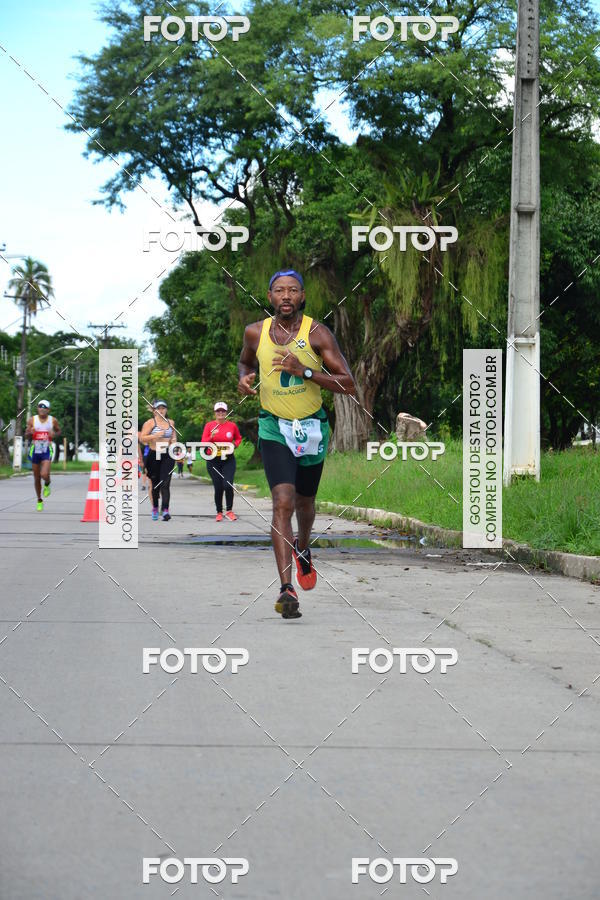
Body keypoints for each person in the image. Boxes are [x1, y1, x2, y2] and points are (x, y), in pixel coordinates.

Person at [238, 269, 356, 619]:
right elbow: (245, 361)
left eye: (292, 290)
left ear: (302, 296)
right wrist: (244, 377)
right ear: (270, 296)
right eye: (279, 290)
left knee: (305, 502)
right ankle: (286, 588)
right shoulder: (255, 332)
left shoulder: (317, 334)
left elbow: (347, 383)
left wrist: (303, 370)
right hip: (274, 427)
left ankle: (303, 547)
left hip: (312, 428)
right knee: (282, 501)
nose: (286, 296)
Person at [201, 402, 242, 522]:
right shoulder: (209, 426)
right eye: (218, 411)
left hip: (228, 459)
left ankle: (229, 511)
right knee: (218, 487)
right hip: (213, 460)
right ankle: (219, 512)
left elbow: (238, 438)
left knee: (227, 484)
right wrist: (211, 437)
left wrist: (235, 444)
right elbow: (203, 442)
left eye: (223, 411)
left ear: (226, 412)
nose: (220, 413)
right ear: (215, 413)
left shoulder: (232, 426)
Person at [139, 400, 177, 521]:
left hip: (167, 455)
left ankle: (165, 510)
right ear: (155, 411)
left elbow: (173, 438)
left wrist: (175, 447)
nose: (161, 410)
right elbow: (142, 438)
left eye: (163, 408)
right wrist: (155, 436)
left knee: (165, 484)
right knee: (155, 485)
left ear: (166, 410)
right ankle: (155, 507)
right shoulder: (150, 423)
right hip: (153, 455)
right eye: (159, 408)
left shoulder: (171, 422)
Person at [25, 399, 60, 511]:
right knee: (36, 477)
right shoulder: (32, 420)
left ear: (48, 410)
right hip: (35, 450)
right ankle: (39, 500)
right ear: (37, 408)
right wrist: (30, 432)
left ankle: (47, 483)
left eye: (45, 407)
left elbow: (58, 431)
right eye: (40, 406)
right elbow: (26, 434)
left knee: (44, 474)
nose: (42, 408)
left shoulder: (53, 420)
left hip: (46, 450)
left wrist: (54, 433)